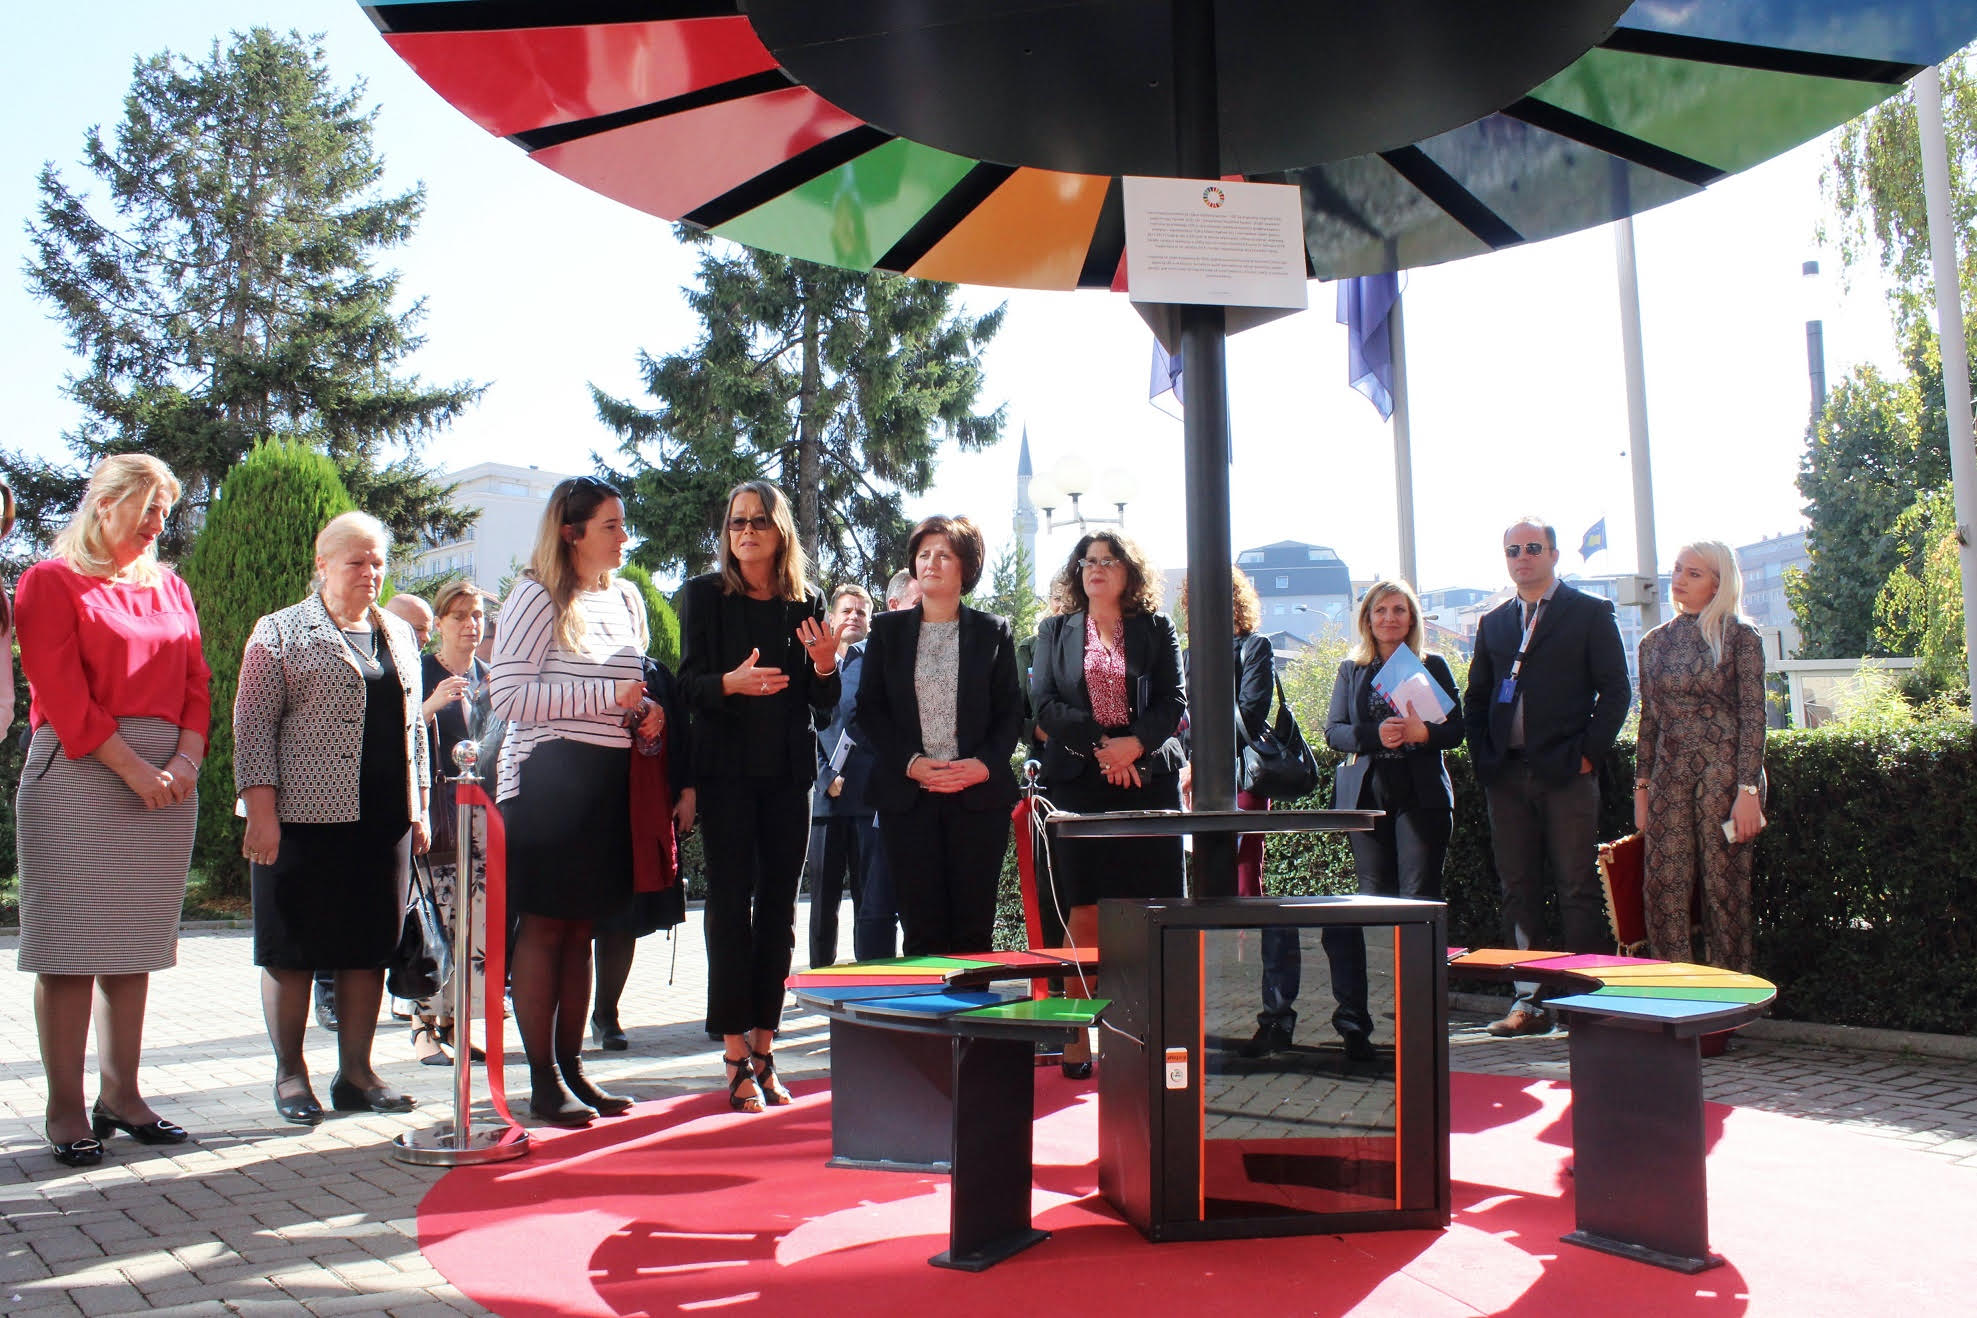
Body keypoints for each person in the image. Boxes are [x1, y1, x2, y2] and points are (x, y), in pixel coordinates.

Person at [15, 456, 210, 1165]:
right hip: (80, 774)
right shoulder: (49, 581)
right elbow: (61, 693)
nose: (158, 524)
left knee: (132, 949)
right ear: (105, 504)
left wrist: (185, 763)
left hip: (166, 783)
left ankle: (122, 1097)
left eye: (165, 512)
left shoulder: (171, 587)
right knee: (69, 951)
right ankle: (65, 1109)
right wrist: (134, 770)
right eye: (148, 507)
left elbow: (197, 683)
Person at [235, 512, 430, 1125]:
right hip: (300, 819)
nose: (370, 572)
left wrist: (419, 807)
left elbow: (414, 729)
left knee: (367, 948)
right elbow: (252, 727)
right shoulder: (280, 630)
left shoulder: (400, 634)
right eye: (356, 561)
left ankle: (357, 1074)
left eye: (377, 562)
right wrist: (260, 811)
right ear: (322, 565)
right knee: (292, 948)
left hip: (382, 819)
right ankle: (291, 1076)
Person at [489, 476, 659, 1125]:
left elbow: (630, 691)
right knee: (545, 925)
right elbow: (507, 696)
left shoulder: (625, 597)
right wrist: (606, 698)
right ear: (571, 532)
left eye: (623, 523)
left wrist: (646, 715)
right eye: (610, 525)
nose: (624, 536)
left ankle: (572, 1068)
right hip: (546, 778)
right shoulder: (536, 594)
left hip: (605, 779)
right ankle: (542, 1081)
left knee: (583, 927)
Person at [678, 480, 840, 1112]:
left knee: (778, 911)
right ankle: (732, 1054)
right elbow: (686, 686)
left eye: (758, 521)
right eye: (736, 522)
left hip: (786, 777)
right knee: (727, 908)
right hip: (725, 775)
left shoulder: (806, 602)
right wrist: (731, 683)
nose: (745, 531)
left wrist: (824, 665)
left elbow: (823, 705)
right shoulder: (704, 595)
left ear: (781, 532)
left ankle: (765, 1049)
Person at [1463, 518, 1631, 1036]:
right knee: (1517, 889)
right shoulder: (1494, 623)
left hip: (1566, 774)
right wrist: (1485, 757)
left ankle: (1585, 1007)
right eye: (1513, 550)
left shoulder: (1589, 613)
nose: (1522, 557)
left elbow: (1616, 690)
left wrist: (1588, 754)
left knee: (1577, 886)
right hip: (1507, 776)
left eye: (1533, 548)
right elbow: (1478, 697)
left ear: (1554, 554)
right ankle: (1529, 1002)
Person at [1031, 531, 1186, 1076]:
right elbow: (1045, 704)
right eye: (1087, 561)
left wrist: (1134, 746)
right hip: (1077, 781)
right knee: (1084, 910)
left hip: (1148, 780)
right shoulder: (1054, 630)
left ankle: (1145, 1036)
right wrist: (1104, 747)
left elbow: (1173, 699)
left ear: (1129, 571)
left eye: (1108, 560)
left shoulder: (1157, 628)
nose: (1095, 568)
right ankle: (1076, 1035)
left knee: (1150, 911)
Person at [1309, 581, 1466, 1059]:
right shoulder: (1351, 669)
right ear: (1367, 618)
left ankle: (1420, 1022)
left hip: (1422, 798)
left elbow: (1457, 730)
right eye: (1380, 610)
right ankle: (1355, 1023)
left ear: (1412, 618)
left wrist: (1423, 733)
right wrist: (1375, 733)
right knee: (1368, 905)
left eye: (1399, 610)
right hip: (1368, 798)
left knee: (1418, 906)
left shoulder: (1432, 664)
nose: (1389, 618)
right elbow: (1334, 732)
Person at [857, 517, 1024, 955]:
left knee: (973, 931)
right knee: (921, 930)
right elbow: (870, 710)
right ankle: (927, 1004)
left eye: (944, 555)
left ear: (966, 567)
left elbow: (1010, 711)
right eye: (924, 554)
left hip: (976, 798)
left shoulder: (992, 631)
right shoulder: (887, 631)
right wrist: (910, 763)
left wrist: (983, 765)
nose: (931, 562)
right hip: (909, 797)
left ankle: (971, 1004)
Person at [1635, 541, 1767, 971]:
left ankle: (1730, 998)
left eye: (1694, 573)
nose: (1679, 579)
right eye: (1677, 569)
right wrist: (1641, 789)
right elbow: (1649, 721)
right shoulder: (1654, 642)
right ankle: (1672, 995)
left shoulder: (1740, 636)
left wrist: (1748, 791)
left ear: (1718, 583)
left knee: (1724, 893)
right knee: (1663, 889)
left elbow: (1754, 715)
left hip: (1727, 778)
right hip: (1668, 776)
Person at [590, 650, 696, 1051]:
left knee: (624, 915)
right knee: (575, 919)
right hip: (587, 800)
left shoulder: (655, 671)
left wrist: (687, 790)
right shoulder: (583, 662)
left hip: (640, 805)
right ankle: (562, 1021)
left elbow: (682, 734)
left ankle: (606, 1013)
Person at [407, 582, 491, 1066]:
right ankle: (422, 1025)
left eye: (476, 615)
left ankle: (459, 1022)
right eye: (459, 616)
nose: (470, 625)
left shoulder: (489, 676)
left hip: (481, 816)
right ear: (439, 623)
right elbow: (395, 735)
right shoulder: (420, 671)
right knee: (434, 917)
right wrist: (431, 706)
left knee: (474, 921)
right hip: (436, 813)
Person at [805, 583, 898, 965]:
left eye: (861, 612)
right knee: (822, 902)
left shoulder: (879, 663)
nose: (854, 617)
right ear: (831, 618)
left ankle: (870, 978)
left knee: (869, 900)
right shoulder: (812, 665)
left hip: (866, 799)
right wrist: (825, 776)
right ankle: (818, 978)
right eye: (846, 611)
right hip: (824, 802)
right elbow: (806, 726)